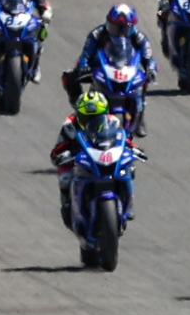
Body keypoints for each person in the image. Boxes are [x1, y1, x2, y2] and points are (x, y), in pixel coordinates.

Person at [47, 90, 139, 227]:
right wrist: (62, 155)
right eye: (86, 117)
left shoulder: (112, 121)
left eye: (96, 117)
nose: (91, 121)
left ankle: (127, 204)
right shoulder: (70, 125)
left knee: (129, 167)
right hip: (80, 160)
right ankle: (67, 205)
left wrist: (133, 148)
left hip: (105, 154)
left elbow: (123, 138)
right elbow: (58, 148)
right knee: (65, 177)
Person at [67, 5, 156, 133]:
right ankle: (79, 107)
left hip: (126, 68)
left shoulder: (140, 37)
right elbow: (85, 55)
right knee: (69, 75)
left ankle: (140, 115)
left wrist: (150, 69)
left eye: (124, 28)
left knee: (144, 81)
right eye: (115, 27)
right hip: (101, 68)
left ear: (132, 27)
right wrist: (84, 67)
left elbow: (149, 57)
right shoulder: (97, 34)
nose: (119, 32)